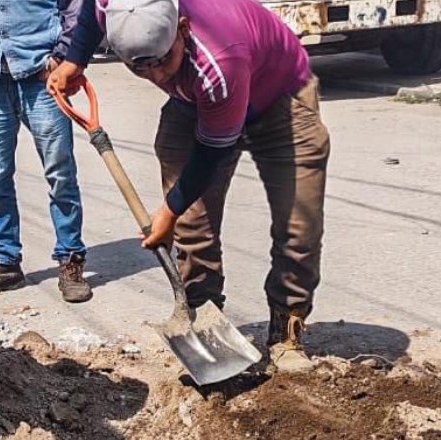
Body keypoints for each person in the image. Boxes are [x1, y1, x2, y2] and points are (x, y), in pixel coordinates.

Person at [48, 0, 330, 370]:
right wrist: (75, 59)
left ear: (182, 29)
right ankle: (203, 318)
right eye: (139, 66)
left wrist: (167, 212)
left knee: (299, 227)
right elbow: (90, 12)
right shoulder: (116, 5)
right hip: (193, 102)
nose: (156, 76)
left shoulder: (219, 58)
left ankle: (287, 331)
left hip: (278, 97)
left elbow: (211, 153)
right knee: (193, 228)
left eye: (162, 61)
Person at [0, 0, 92, 303]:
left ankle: (70, 258)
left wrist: (63, 57)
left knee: (59, 172)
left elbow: (77, 10)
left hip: (41, 78)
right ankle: (5, 261)